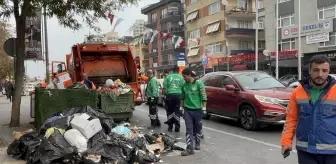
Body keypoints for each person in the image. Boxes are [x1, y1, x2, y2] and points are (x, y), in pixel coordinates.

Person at [281, 55, 336, 164]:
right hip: (305, 150)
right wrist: (286, 143)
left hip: (332, 151)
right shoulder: (297, 92)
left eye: (324, 71)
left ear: (328, 71)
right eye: (316, 70)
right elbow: (291, 119)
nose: (320, 74)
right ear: (310, 70)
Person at [180, 68, 207, 156]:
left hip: (197, 110)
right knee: (189, 129)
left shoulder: (199, 84)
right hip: (187, 110)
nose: (184, 78)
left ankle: (197, 143)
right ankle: (190, 148)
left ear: (189, 75)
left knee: (198, 128)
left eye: (185, 76)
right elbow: (182, 98)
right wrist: (181, 108)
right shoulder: (184, 85)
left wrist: (204, 108)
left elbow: (203, 97)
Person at [163, 66, 184, 132]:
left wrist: (164, 96)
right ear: (178, 71)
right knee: (177, 111)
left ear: (172, 70)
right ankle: (177, 127)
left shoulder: (168, 77)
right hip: (178, 96)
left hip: (170, 95)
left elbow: (164, 89)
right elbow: (183, 88)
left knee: (170, 111)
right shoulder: (181, 77)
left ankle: (170, 127)